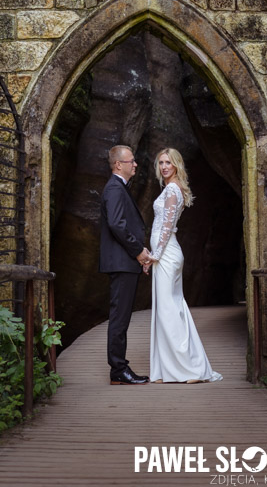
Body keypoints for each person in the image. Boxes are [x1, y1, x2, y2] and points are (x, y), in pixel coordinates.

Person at [145, 148, 222, 383]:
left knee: (169, 310)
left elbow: (166, 227)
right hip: (166, 254)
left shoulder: (171, 189)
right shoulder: (172, 188)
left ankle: (190, 369)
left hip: (167, 254)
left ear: (177, 165)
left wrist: (154, 255)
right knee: (169, 309)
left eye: (168, 162)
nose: (164, 166)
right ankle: (167, 369)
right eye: (161, 163)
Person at [99, 143, 152, 385]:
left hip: (123, 262)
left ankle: (119, 368)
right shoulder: (114, 189)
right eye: (131, 161)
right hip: (122, 262)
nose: (135, 164)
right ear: (119, 164)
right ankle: (118, 370)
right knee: (120, 318)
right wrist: (139, 251)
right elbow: (117, 225)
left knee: (121, 317)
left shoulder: (119, 188)